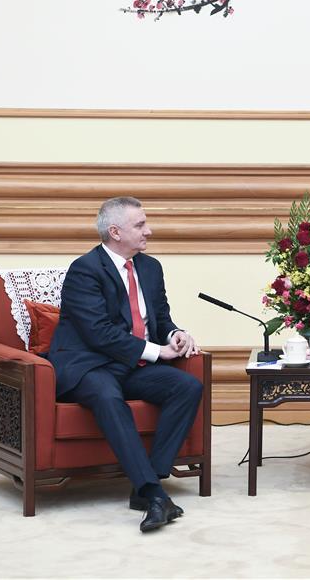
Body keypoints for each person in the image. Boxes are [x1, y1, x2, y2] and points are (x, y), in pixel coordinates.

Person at [49, 196, 203, 533]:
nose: (149, 231)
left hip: (131, 364)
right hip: (89, 364)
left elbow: (161, 318)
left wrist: (175, 334)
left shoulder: (150, 268)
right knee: (107, 396)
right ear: (115, 232)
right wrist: (157, 351)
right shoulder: (85, 270)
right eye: (140, 225)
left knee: (187, 386)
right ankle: (154, 494)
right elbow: (98, 333)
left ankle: (145, 485)